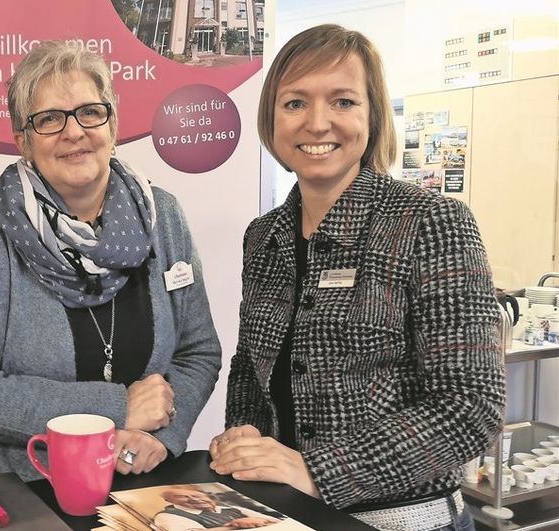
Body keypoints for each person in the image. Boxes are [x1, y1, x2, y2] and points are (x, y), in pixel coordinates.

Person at [209, 24, 505, 531]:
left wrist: (317, 469)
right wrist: (242, 439)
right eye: (295, 103)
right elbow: (249, 370)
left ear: (372, 113)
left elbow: (471, 408)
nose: (317, 122)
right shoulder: (264, 237)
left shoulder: (430, 222)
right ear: (272, 118)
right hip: (284, 515)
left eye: (343, 102)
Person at [0, 40, 221, 480]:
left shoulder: (163, 217)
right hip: (26, 489)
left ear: (113, 124)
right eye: (49, 119)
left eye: (90, 112)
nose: (74, 132)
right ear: (22, 141)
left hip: (139, 482)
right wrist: (115, 410)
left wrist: (160, 436)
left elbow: (197, 350)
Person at [153, 487, 279, 530]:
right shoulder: (167, 516)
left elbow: (275, 521)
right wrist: (234, 526)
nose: (195, 499)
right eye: (184, 497)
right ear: (170, 500)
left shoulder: (231, 508)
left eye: (197, 495)